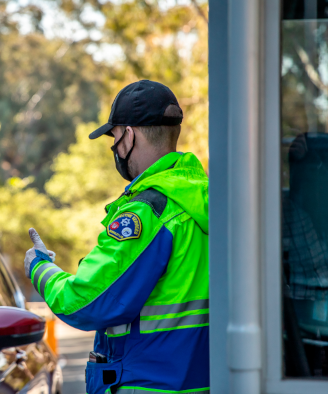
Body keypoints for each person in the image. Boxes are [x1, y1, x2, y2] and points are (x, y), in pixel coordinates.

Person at [24, 80, 209, 394]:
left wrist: (40, 268)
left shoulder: (147, 212)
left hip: (147, 385)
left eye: (114, 137)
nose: (115, 149)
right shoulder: (203, 199)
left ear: (130, 135)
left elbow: (85, 302)